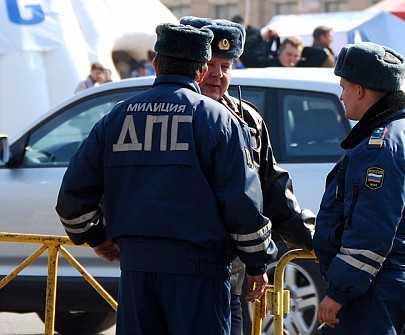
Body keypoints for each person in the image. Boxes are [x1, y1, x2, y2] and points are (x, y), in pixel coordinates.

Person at [56, 23, 277, 335]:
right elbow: (242, 203)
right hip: (202, 272)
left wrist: (97, 237)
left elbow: (71, 201)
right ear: (201, 72)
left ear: (155, 63)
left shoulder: (116, 118)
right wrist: (257, 263)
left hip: (136, 270)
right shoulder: (219, 121)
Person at [179, 16, 316, 335]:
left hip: (233, 272)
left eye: (225, 66)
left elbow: (272, 188)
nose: (217, 75)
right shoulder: (175, 113)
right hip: (180, 268)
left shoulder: (248, 119)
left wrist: (313, 239)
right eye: (210, 64)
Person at [313, 42, 405, 334]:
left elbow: (371, 228)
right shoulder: (403, 131)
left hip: (374, 286)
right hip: (382, 282)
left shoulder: (380, 146)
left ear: (360, 90)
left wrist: (339, 292)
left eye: (344, 87)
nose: (341, 95)